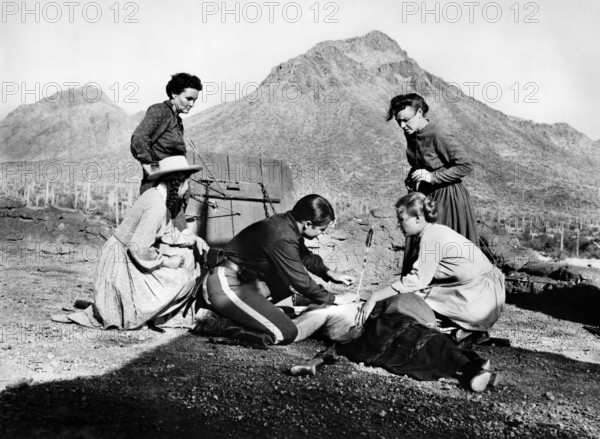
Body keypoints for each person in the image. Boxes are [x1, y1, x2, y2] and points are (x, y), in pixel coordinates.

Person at [53, 156, 208, 330]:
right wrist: (166, 261)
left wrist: (193, 239)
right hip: (120, 265)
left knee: (184, 258)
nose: (188, 189)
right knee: (181, 277)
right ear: (177, 183)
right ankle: (157, 316)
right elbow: (139, 247)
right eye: (187, 183)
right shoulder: (156, 204)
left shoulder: (155, 196)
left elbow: (168, 233)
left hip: (125, 256)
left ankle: (157, 314)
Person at [193, 194, 358, 346]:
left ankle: (255, 312)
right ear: (308, 223)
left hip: (245, 281)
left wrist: (329, 273)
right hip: (227, 285)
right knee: (287, 332)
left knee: (289, 286)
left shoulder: (287, 224)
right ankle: (213, 323)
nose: (321, 235)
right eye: (321, 229)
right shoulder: (283, 236)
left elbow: (303, 256)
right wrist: (334, 298)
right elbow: (301, 282)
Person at [357, 192, 505, 342]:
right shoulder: (436, 230)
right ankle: (465, 330)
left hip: (480, 300)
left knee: (410, 302)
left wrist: (374, 297)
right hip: (486, 297)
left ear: (417, 219)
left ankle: (464, 330)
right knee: (418, 297)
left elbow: (417, 281)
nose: (398, 225)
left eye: (401, 219)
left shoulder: (431, 238)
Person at [386, 93, 479, 275]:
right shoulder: (411, 134)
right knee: (420, 244)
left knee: (439, 247)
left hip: (447, 199)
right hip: (426, 197)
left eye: (406, 120)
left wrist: (432, 178)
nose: (402, 126)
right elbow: (421, 163)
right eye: (398, 121)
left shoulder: (438, 133)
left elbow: (465, 165)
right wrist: (413, 176)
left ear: (419, 112)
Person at [130, 72, 202, 195]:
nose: (192, 104)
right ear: (174, 93)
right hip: (159, 188)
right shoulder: (160, 111)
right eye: (189, 99)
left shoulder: (177, 120)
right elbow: (139, 138)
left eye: (194, 100)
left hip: (175, 188)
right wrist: (154, 171)